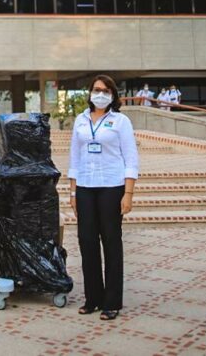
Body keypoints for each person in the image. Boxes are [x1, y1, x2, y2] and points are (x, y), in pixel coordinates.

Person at [68, 74, 139, 321]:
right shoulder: (80, 120)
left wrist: (128, 193)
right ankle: (93, 299)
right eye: (96, 90)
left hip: (112, 187)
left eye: (106, 91)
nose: (100, 94)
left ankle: (112, 302)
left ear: (113, 95)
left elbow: (131, 159)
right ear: (89, 93)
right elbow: (74, 158)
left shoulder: (121, 121)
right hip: (86, 186)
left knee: (111, 242)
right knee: (87, 242)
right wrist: (73, 191)